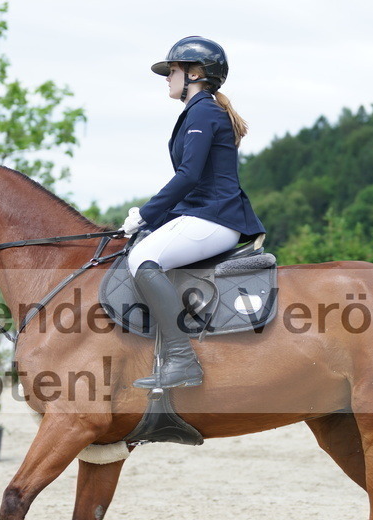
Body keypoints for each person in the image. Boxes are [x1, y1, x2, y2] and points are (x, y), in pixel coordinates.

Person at [122, 36, 265, 390]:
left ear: (195, 74)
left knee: (142, 259)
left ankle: (183, 360)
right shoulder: (199, 111)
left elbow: (189, 176)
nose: (167, 78)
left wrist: (146, 215)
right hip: (203, 213)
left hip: (215, 217)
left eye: (172, 70)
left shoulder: (203, 111)